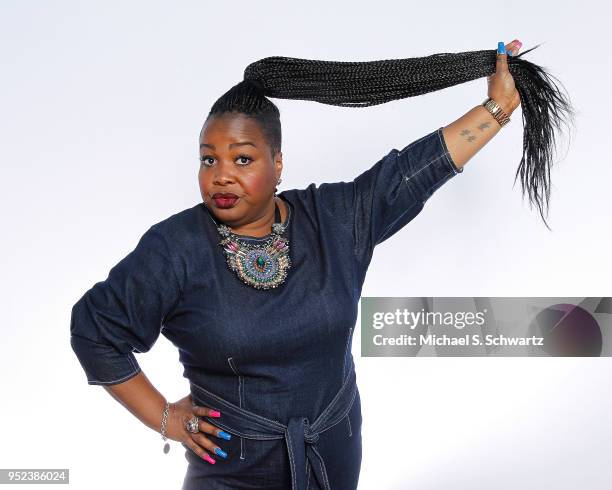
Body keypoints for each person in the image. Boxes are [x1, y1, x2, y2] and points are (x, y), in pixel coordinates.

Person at [70, 40, 522, 489]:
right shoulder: (176, 248)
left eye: (242, 158)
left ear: (278, 162)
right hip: (232, 469)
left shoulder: (333, 220)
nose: (221, 174)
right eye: (209, 159)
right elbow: (96, 331)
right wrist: (166, 417)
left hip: (333, 452)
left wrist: (497, 108)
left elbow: (411, 172)